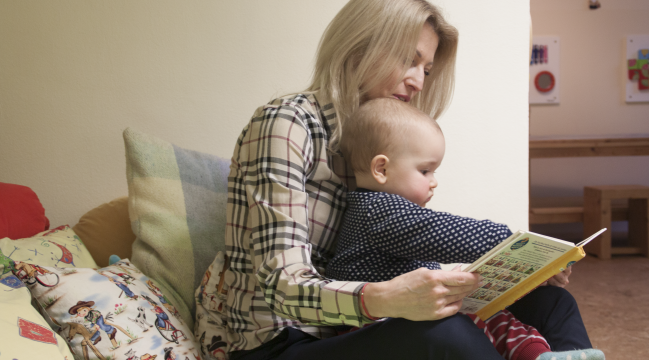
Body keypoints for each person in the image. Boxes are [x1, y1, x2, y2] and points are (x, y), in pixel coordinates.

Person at [195, 1, 595, 359]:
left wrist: (522, 267)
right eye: (409, 59)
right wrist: (391, 298)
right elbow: (281, 287)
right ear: (359, 45)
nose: (419, 81)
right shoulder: (287, 123)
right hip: (284, 342)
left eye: (426, 68)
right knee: (446, 333)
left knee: (552, 304)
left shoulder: (377, 139)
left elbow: (410, 238)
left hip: (349, 329)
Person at [325, 98, 605, 360]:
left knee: (541, 305)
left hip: (409, 314)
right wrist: (514, 243)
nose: (433, 181)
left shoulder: (385, 209)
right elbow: (440, 233)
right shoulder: (376, 211)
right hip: (377, 328)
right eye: (425, 171)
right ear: (381, 169)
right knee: (480, 321)